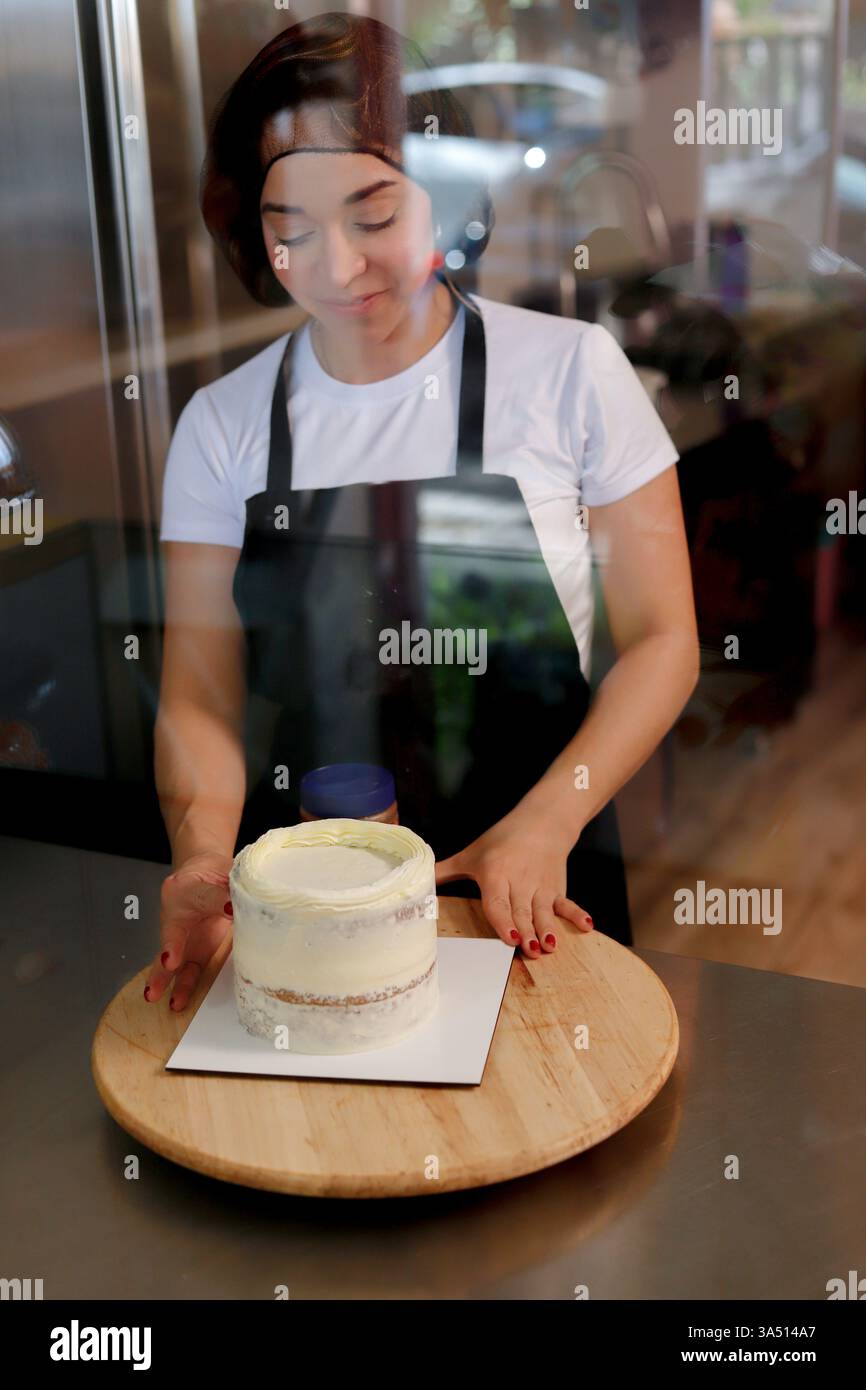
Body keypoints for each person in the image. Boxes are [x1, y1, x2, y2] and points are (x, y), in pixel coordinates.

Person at [144, 12, 699, 1014]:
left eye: (371, 215)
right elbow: (196, 696)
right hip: (309, 925)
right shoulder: (221, 426)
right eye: (292, 232)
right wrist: (201, 856)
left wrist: (546, 824)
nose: (337, 268)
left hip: (524, 891)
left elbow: (662, 641)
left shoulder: (569, 371)